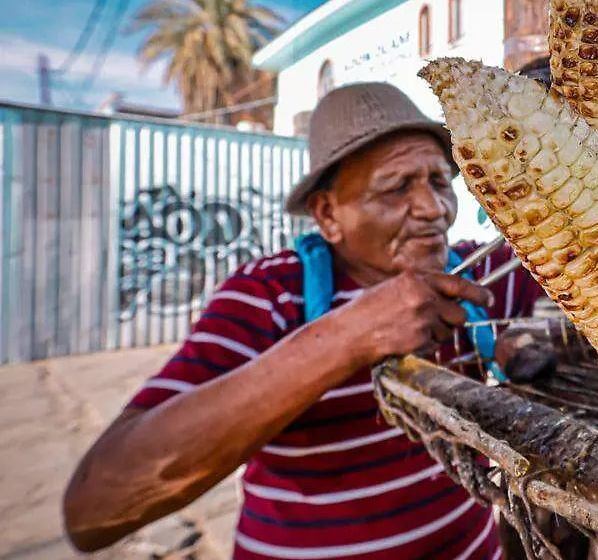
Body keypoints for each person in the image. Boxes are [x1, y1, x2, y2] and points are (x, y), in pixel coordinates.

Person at [63, 81, 552, 559]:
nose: (434, 209)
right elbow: (94, 509)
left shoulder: (479, 274)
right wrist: (346, 336)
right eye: (396, 187)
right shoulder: (267, 296)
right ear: (328, 215)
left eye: (440, 181)